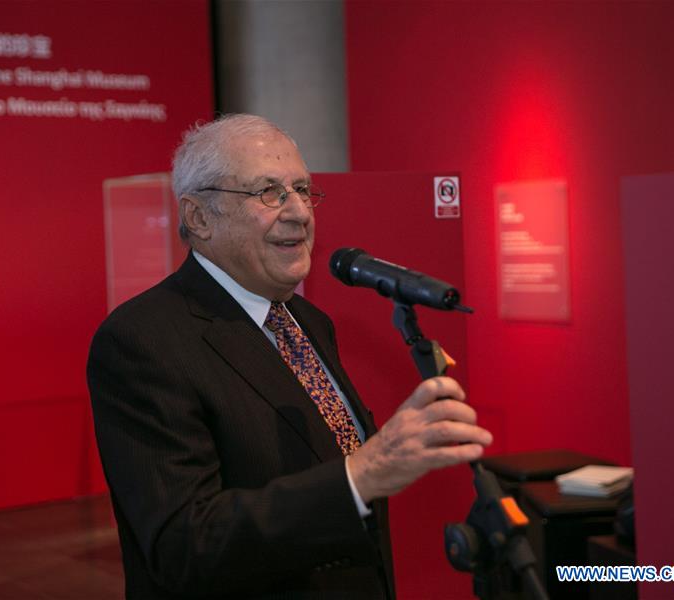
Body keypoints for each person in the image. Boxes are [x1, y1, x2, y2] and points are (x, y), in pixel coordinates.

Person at [87, 114, 493, 599]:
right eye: (269, 192)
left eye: (302, 189)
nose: (300, 211)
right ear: (198, 217)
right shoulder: (142, 340)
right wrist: (364, 473)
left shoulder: (308, 321)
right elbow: (184, 544)